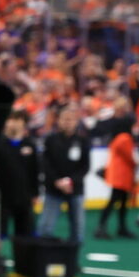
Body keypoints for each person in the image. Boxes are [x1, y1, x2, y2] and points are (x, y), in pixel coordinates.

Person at [40, 104, 90, 243]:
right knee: (45, 227)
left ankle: (72, 261)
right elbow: (45, 163)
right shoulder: (51, 140)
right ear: (59, 120)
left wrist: (70, 181)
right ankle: (44, 258)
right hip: (53, 188)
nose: (67, 122)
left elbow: (85, 166)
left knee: (77, 228)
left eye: (70, 119)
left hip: (75, 188)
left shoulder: (82, 141)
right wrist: (57, 181)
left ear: (76, 121)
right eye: (64, 119)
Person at [0, 110, 39, 240]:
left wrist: (35, 193)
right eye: (11, 119)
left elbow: (35, 170)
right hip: (2, 195)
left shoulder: (30, 144)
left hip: (24, 196)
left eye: (18, 120)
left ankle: (24, 258)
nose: (14, 124)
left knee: (26, 233)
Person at [95, 119, 139, 239]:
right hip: (121, 176)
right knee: (114, 201)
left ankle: (121, 227)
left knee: (122, 202)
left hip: (122, 175)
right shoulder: (125, 138)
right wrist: (137, 164)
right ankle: (101, 227)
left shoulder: (119, 137)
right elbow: (129, 156)